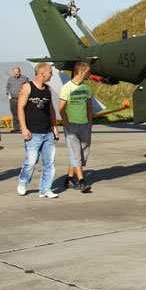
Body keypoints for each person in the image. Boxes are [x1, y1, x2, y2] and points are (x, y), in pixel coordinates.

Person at [16, 63, 61, 198]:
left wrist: (54, 127)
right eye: (50, 72)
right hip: (33, 132)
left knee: (49, 163)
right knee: (31, 162)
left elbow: (51, 109)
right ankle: (23, 182)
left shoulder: (48, 89)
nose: (52, 75)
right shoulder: (27, 87)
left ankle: (45, 189)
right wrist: (24, 128)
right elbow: (20, 108)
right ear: (43, 73)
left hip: (47, 132)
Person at [59, 62, 93, 193]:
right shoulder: (66, 88)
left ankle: (68, 178)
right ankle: (82, 181)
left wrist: (90, 122)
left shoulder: (87, 87)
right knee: (76, 153)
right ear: (81, 72)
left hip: (84, 124)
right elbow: (61, 109)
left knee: (82, 154)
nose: (90, 75)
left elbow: (89, 105)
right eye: (88, 72)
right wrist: (67, 124)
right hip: (72, 125)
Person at [6, 67, 29, 132]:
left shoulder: (24, 78)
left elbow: (28, 87)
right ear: (13, 72)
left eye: (17, 72)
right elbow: (7, 87)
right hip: (13, 99)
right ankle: (16, 128)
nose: (16, 73)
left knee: (24, 112)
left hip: (22, 99)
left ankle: (25, 127)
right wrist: (8, 94)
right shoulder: (10, 79)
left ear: (20, 71)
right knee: (14, 113)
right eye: (15, 72)